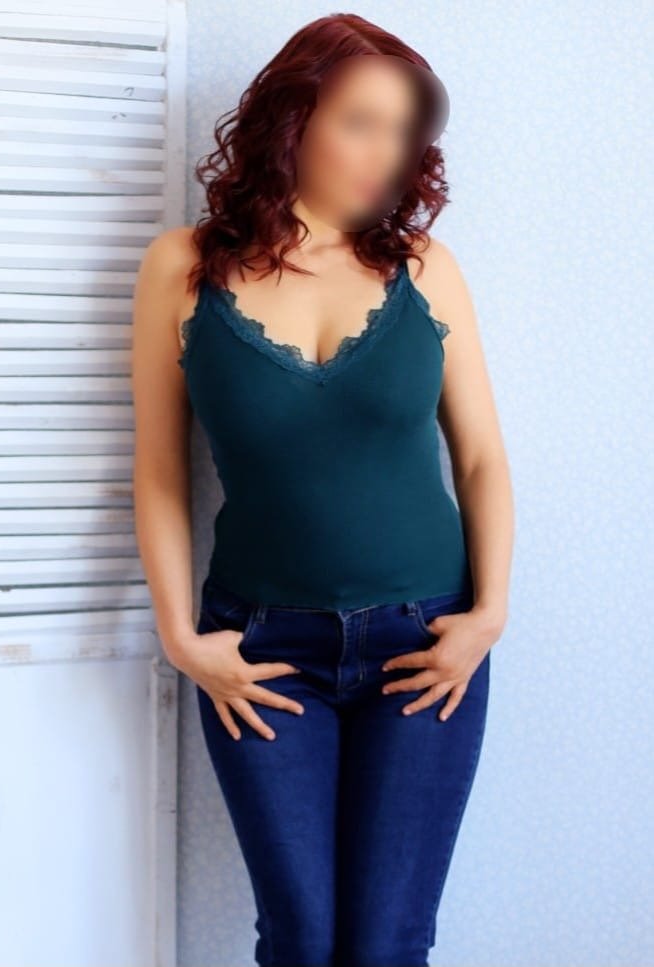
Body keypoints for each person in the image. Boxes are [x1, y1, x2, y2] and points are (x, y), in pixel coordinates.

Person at [131, 12, 513, 967]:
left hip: (426, 644)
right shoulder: (182, 269)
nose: (386, 153)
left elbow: (480, 459)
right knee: (300, 940)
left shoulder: (424, 270)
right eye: (360, 122)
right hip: (261, 652)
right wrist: (182, 639)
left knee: (388, 944)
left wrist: (489, 615)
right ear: (293, 118)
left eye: (402, 130)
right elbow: (161, 470)